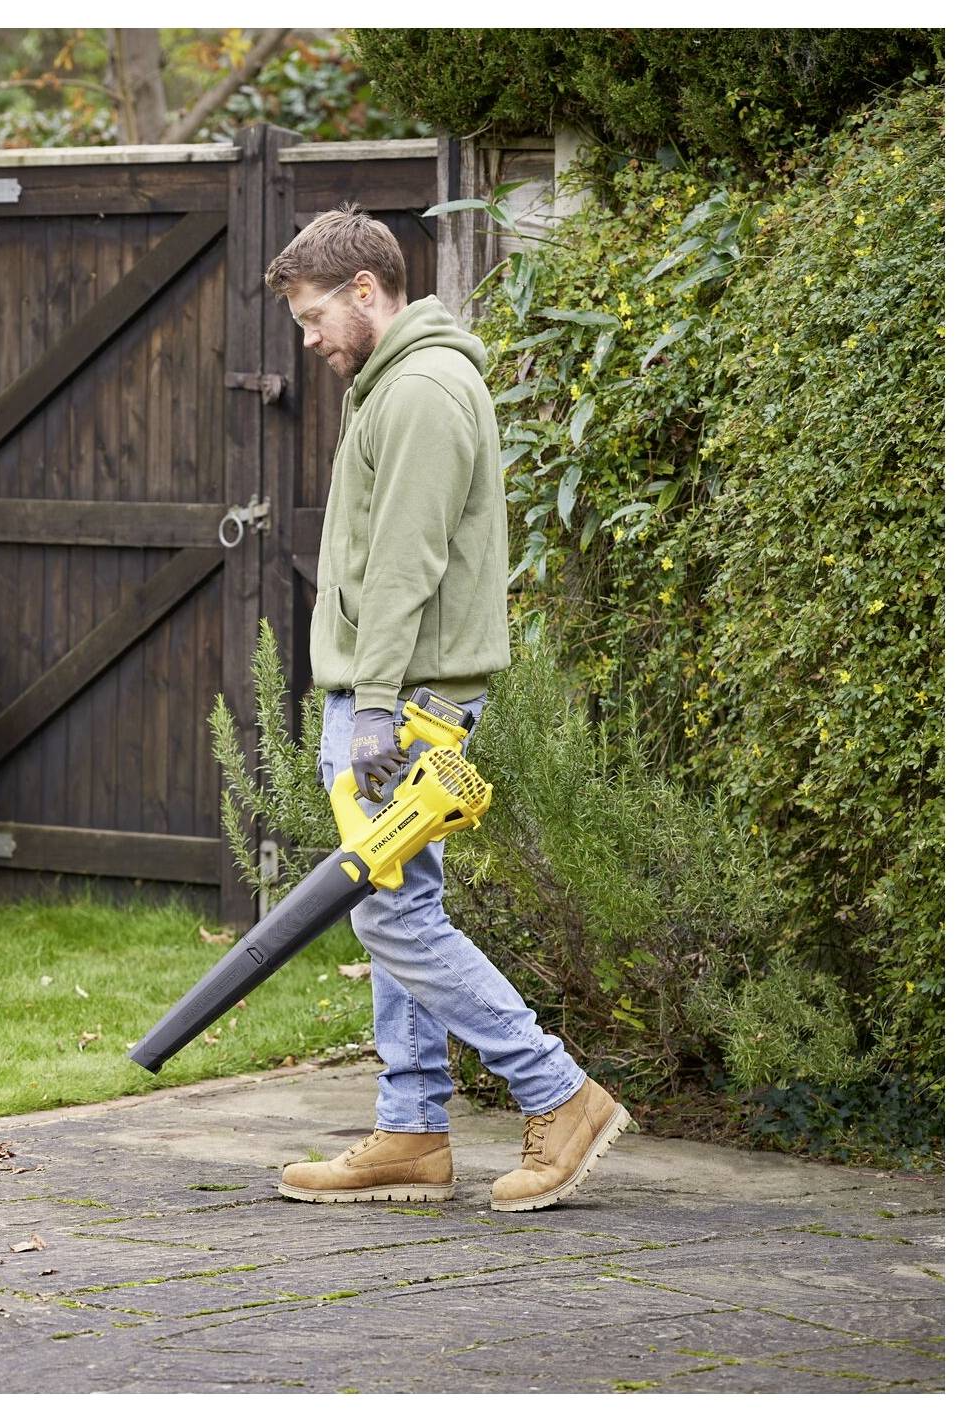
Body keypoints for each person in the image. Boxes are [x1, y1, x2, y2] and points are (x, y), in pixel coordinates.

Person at [261, 204, 629, 1212]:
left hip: (405, 700)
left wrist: (374, 702)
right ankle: (412, 1128)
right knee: (394, 910)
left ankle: (560, 1092)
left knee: (392, 915)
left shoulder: (419, 389)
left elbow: (406, 563)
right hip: (396, 691)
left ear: (367, 292)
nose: (309, 340)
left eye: (314, 316)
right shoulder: (396, 383)